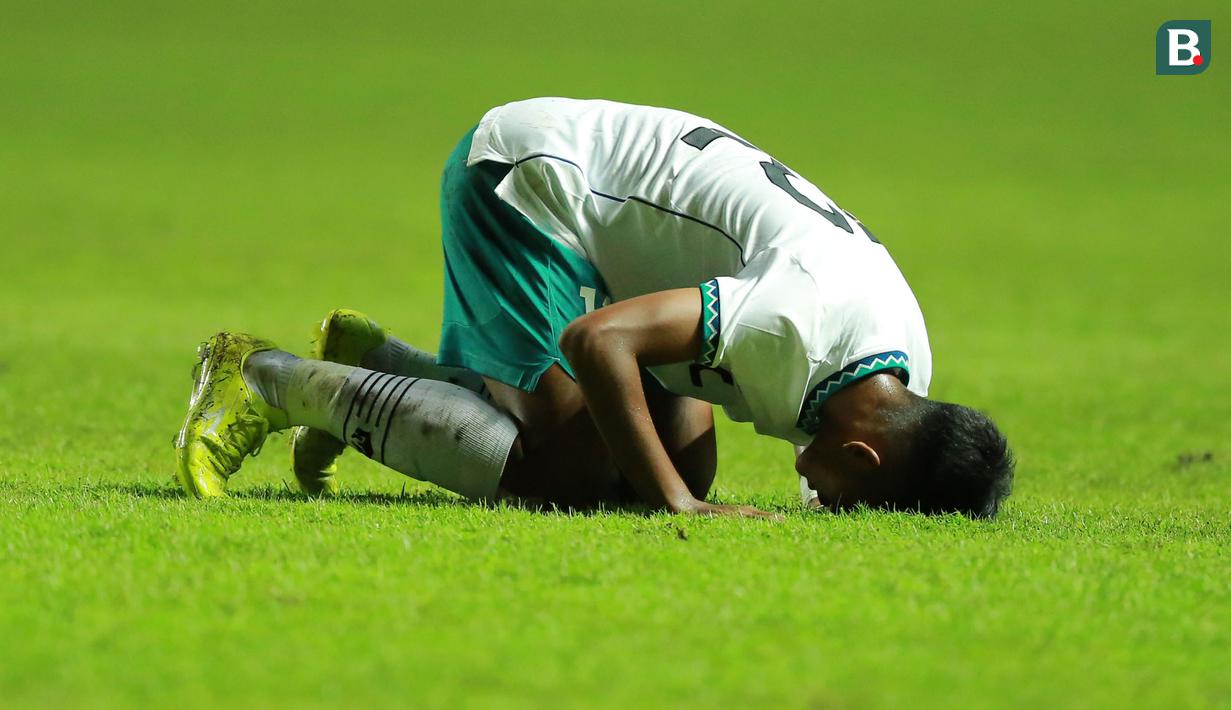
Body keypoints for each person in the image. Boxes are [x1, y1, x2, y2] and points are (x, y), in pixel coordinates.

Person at [174, 97, 1014, 518]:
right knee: (570, 473)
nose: (826, 506)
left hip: (631, 243)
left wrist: (675, 487)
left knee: (668, 467)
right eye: (847, 504)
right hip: (533, 183)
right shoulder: (797, 323)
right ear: (863, 459)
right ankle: (267, 377)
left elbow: (694, 328)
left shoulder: (898, 365)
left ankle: (380, 364)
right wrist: (674, 505)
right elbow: (599, 339)